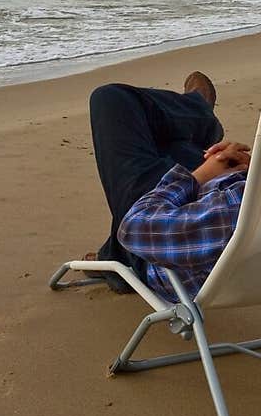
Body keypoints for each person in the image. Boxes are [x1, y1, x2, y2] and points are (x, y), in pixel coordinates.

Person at [85, 71, 250, 299]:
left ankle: (199, 110)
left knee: (110, 100)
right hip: (213, 209)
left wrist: (203, 174)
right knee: (174, 143)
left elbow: (136, 228)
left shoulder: (240, 209)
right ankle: (197, 115)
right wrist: (251, 169)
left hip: (159, 241)